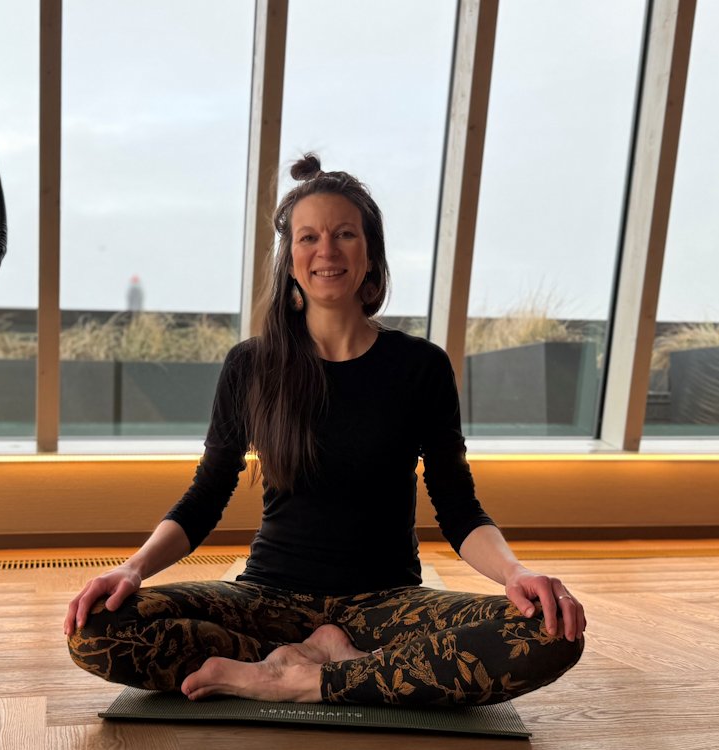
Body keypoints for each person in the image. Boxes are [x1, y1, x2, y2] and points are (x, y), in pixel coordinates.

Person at [63, 154, 585, 706]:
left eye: (344, 234)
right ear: (290, 260)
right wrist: (132, 567)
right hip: (267, 601)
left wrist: (514, 574)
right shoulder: (251, 365)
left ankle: (290, 676)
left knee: (550, 631)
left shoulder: (421, 367)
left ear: (370, 254)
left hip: (386, 606)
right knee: (96, 630)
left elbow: (458, 508)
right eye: (308, 237)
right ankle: (338, 668)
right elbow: (206, 495)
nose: (326, 250)